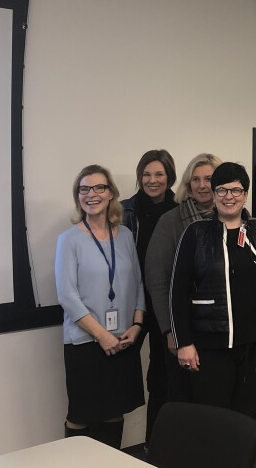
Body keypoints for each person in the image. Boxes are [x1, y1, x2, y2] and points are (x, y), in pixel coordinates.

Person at [168, 162, 256, 419]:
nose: (229, 197)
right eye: (222, 190)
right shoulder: (196, 233)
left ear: (245, 195)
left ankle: (242, 449)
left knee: (246, 415)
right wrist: (184, 343)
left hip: (255, 344)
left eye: (236, 190)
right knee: (214, 417)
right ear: (213, 195)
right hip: (212, 345)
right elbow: (177, 292)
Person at [55, 165, 145, 448]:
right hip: (85, 341)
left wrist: (137, 324)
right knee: (80, 414)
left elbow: (138, 283)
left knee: (114, 412)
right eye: (84, 189)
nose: (91, 194)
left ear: (111, 194)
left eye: (99, 187)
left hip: (123, 339)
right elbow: (67, 296)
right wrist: (101, 335)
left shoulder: (126, 235)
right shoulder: (69, 240)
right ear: (78, 196)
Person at [144, 153, 221, 403]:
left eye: (209, 179)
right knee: (185, 399)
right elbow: (157, 280)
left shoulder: (235, 219)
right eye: (195, 180)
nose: (202, 185)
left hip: (222, 329)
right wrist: (170, 330)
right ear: (188, 184)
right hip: (184, 328)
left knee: (218, 399)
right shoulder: (171, 221)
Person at [120, 149, 177, 444]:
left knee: (162, 377)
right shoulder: (124, 211)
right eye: (146, 174)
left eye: (159, 174)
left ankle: (156, 446)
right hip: (132, 305)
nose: (152, 180)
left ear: (170, 177)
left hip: (165, 304)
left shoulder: (181, 211)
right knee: (118, 372)